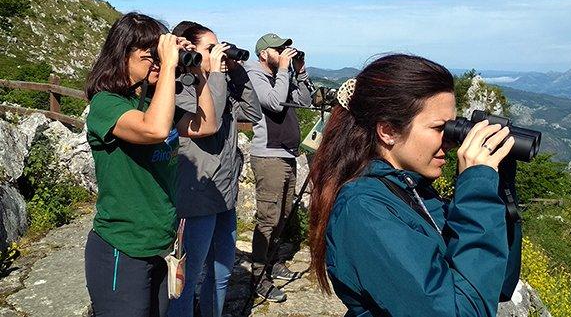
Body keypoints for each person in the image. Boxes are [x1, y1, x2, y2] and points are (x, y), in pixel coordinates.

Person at [308, 54, 522, 317]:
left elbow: (496, 285)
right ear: (387, 131)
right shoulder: (364, 210)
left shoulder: (412, 189)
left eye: (453, 127)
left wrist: (497, 186)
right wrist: (476, 191)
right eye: (439, 127)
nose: (451, 141)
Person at [84, 12, 218, 317]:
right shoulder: (107, 104)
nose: (157, 63)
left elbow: (206, 125)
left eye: (160, 55)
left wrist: (198, 76)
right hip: (123, 248)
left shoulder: (153, 104)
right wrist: (170, 64)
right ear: (122, 56)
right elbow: (154, 130)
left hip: (161, 244)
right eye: (150, 56)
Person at [167, 21, 262, 317]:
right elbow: (209, 125)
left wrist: (237, 72)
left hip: (225, 195)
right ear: (190, 50)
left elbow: (253, 113)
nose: (218, 53)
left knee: (221, 273)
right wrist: (216, 76)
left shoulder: (221, 85)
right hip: (197, 198)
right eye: (211, 49)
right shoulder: (181, 87)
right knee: (186, 277)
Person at [245, 33, 313, 302]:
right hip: (267, 154)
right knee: (268, 218)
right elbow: (273, 102)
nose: (285, 52)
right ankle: (259, 277)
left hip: (286, 154)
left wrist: (301, 72)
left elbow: (304, 102)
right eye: (279, 49)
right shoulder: (254, 74)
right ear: (264, 54)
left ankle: (272, 261)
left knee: (283, 214)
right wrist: (284, 70)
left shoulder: (281, 75)